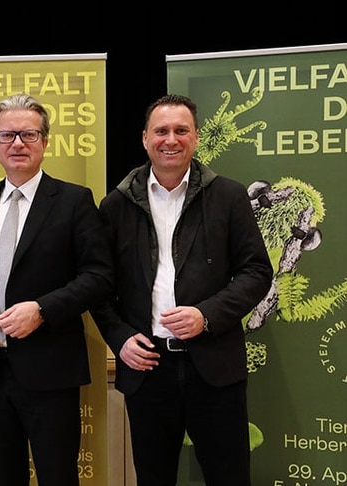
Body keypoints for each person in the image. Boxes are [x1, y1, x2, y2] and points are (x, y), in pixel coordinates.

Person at [91, 93, 274, 486]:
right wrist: (120, 338)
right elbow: (99, 286)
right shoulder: (116, 206)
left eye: (180, 130)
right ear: (144, 138)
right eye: (161, 131)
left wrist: (206, 315)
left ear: (195, 137)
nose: (170, 139)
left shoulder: (228, 196)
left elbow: (257, 271)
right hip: (148, 368)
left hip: (214, 368)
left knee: (229, 477)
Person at [0, 93, 103, 486]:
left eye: (28, 134)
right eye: (7, 135)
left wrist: (43, 310)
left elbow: (98, 276)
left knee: (57, 477)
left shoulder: (73, 201)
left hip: (51, 370)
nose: (18, 144)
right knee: (2, 477)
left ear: (45, 142)